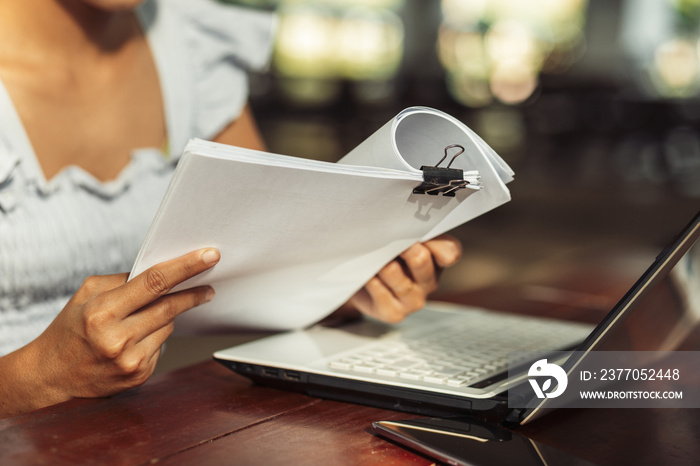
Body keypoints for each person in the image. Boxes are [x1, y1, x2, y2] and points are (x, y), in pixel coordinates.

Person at [0, 0, 462, 418]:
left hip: (154, 427)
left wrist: (334, 285)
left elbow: (258, 256)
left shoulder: (192, 47)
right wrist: (37, 376)